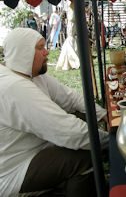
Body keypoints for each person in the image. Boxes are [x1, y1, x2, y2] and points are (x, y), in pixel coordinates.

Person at [0, 28, 109, 197]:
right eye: (40, 48)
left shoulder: (32, 75)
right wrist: (112, 141)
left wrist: (103, 115)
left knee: (82, 117)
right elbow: (68, 131)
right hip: (15, 170)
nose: (47, 52)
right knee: (85, 155)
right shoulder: (14, 87)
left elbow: (72, 98)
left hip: (39, 149)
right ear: (23, 52)